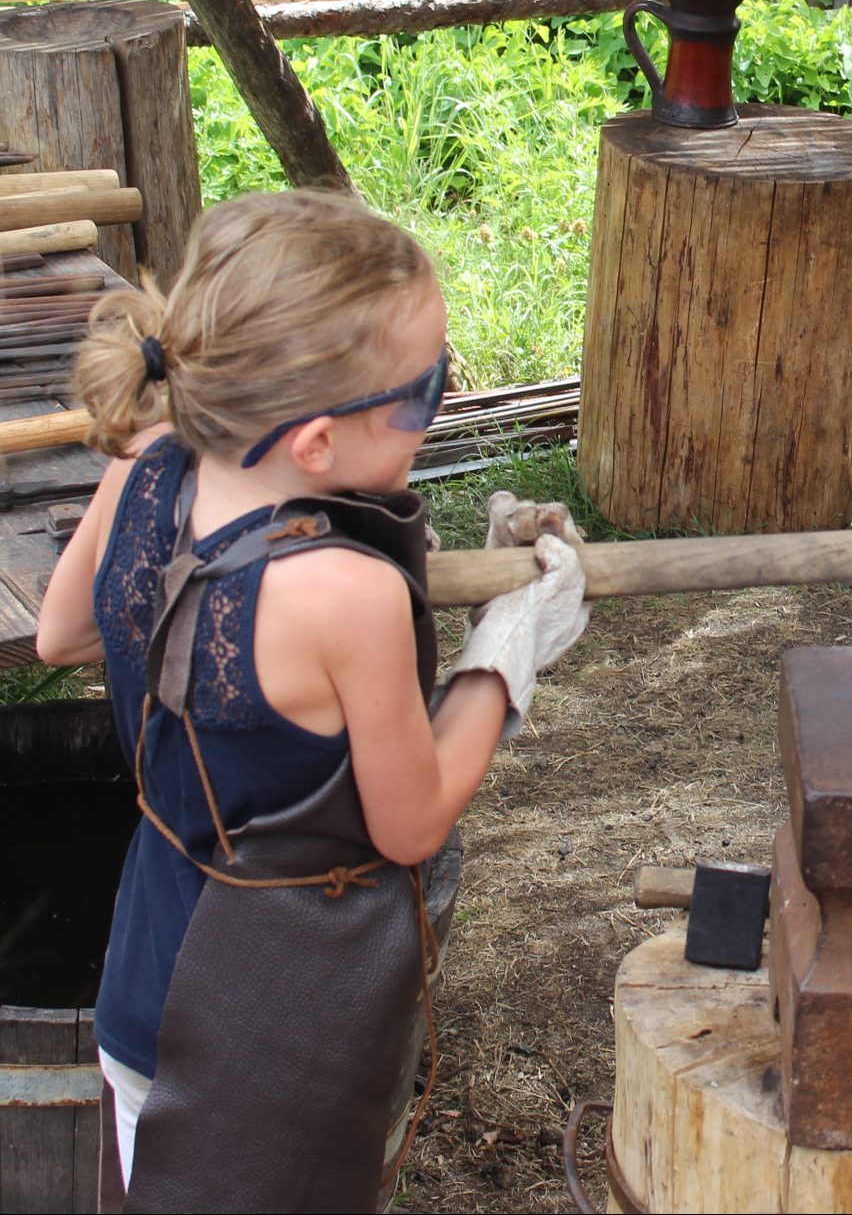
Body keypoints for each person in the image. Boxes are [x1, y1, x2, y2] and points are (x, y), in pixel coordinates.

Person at [36, 190, 591, 1213]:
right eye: (426, 391)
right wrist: (507, 651)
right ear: (319, 443)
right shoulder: (347, 595)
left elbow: (61, 634)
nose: (440, 406)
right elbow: (412, 822)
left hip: (142, 981)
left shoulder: (148, 465)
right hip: (268, 1029)